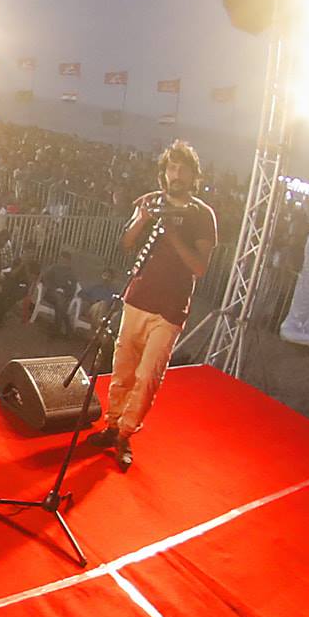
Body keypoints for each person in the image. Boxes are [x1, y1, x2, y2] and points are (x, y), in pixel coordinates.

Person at [87, 141, 218, 469]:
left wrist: (172, 234)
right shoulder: (151, 202)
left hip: (170, 309)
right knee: (122, 369)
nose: (177, 174)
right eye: (172, 168)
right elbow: (126, 242)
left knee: (147, 377)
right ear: (164, 172)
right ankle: (112, 425)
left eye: (183, 169)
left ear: (194, 176)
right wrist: (142, 218)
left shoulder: (203, 215)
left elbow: (200, 267)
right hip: (137, 298)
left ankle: (125, 434)